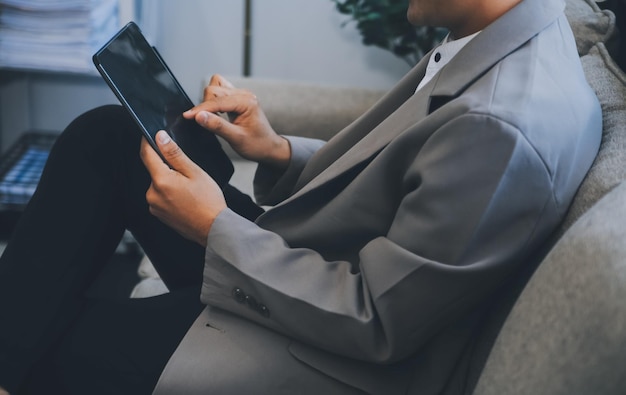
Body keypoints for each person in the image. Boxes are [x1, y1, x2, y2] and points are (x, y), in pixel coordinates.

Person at [0, 0, 602, 392]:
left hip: (328, 350)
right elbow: (409, 180)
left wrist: (213, 227)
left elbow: (377, 321)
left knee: (57, 341)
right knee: (110, 137)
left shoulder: (501, 125)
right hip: (315, 269)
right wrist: (277, 150)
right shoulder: (501, 35)